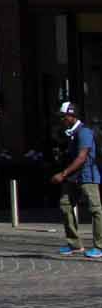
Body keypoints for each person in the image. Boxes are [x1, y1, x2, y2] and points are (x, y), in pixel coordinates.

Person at [51, 101, 102, 259]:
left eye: (63, 116)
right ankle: (74, 243)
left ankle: (99, 246)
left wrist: (63, 174)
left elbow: (81, 157)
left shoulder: (84, 132)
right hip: (74, 177)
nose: (61, 120)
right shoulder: (71, 133)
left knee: (95, 210)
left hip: (87, 176)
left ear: (71, 116)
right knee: (65, 204)